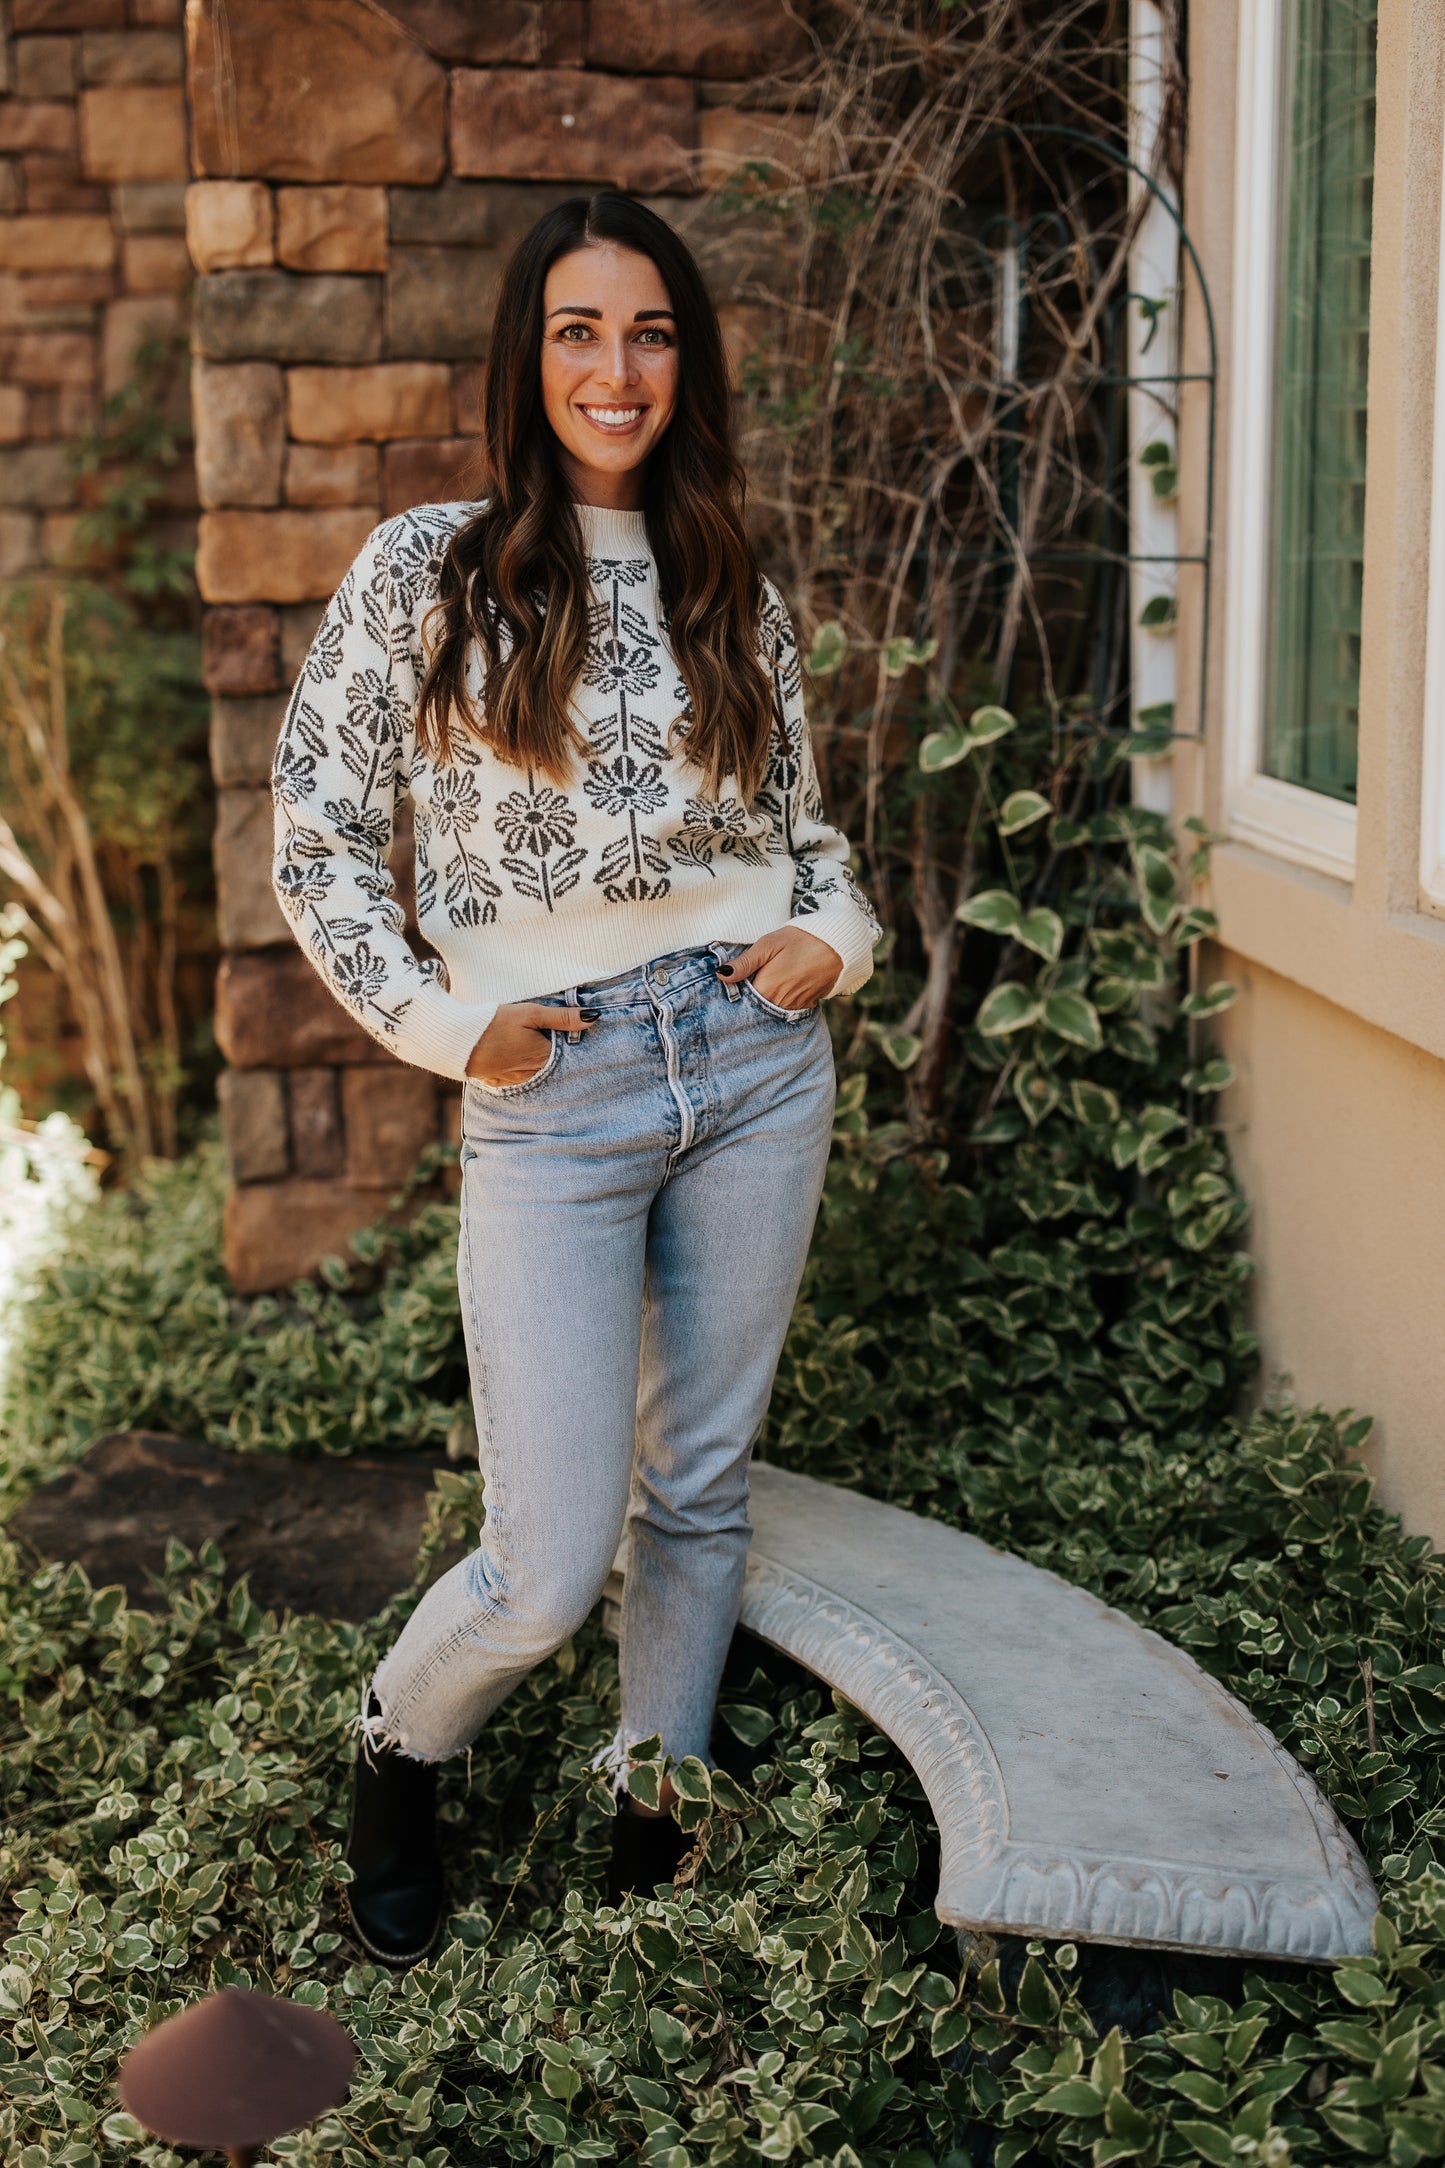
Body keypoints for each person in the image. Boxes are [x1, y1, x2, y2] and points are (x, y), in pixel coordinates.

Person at [270, 191, 879, 1967]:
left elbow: (804, 839)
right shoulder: (428, 570)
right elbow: (315, 838)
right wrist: (450, 1029)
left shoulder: (725, 578)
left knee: (696, 1484)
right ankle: (399, 1749)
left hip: (758, 1065)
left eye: (652, 334)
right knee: (545, 1557)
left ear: (686, 361)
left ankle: (653, 1807)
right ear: (525, 357)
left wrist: (834, 939)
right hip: (555, 1086)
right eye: (579, 333)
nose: (617, 371)